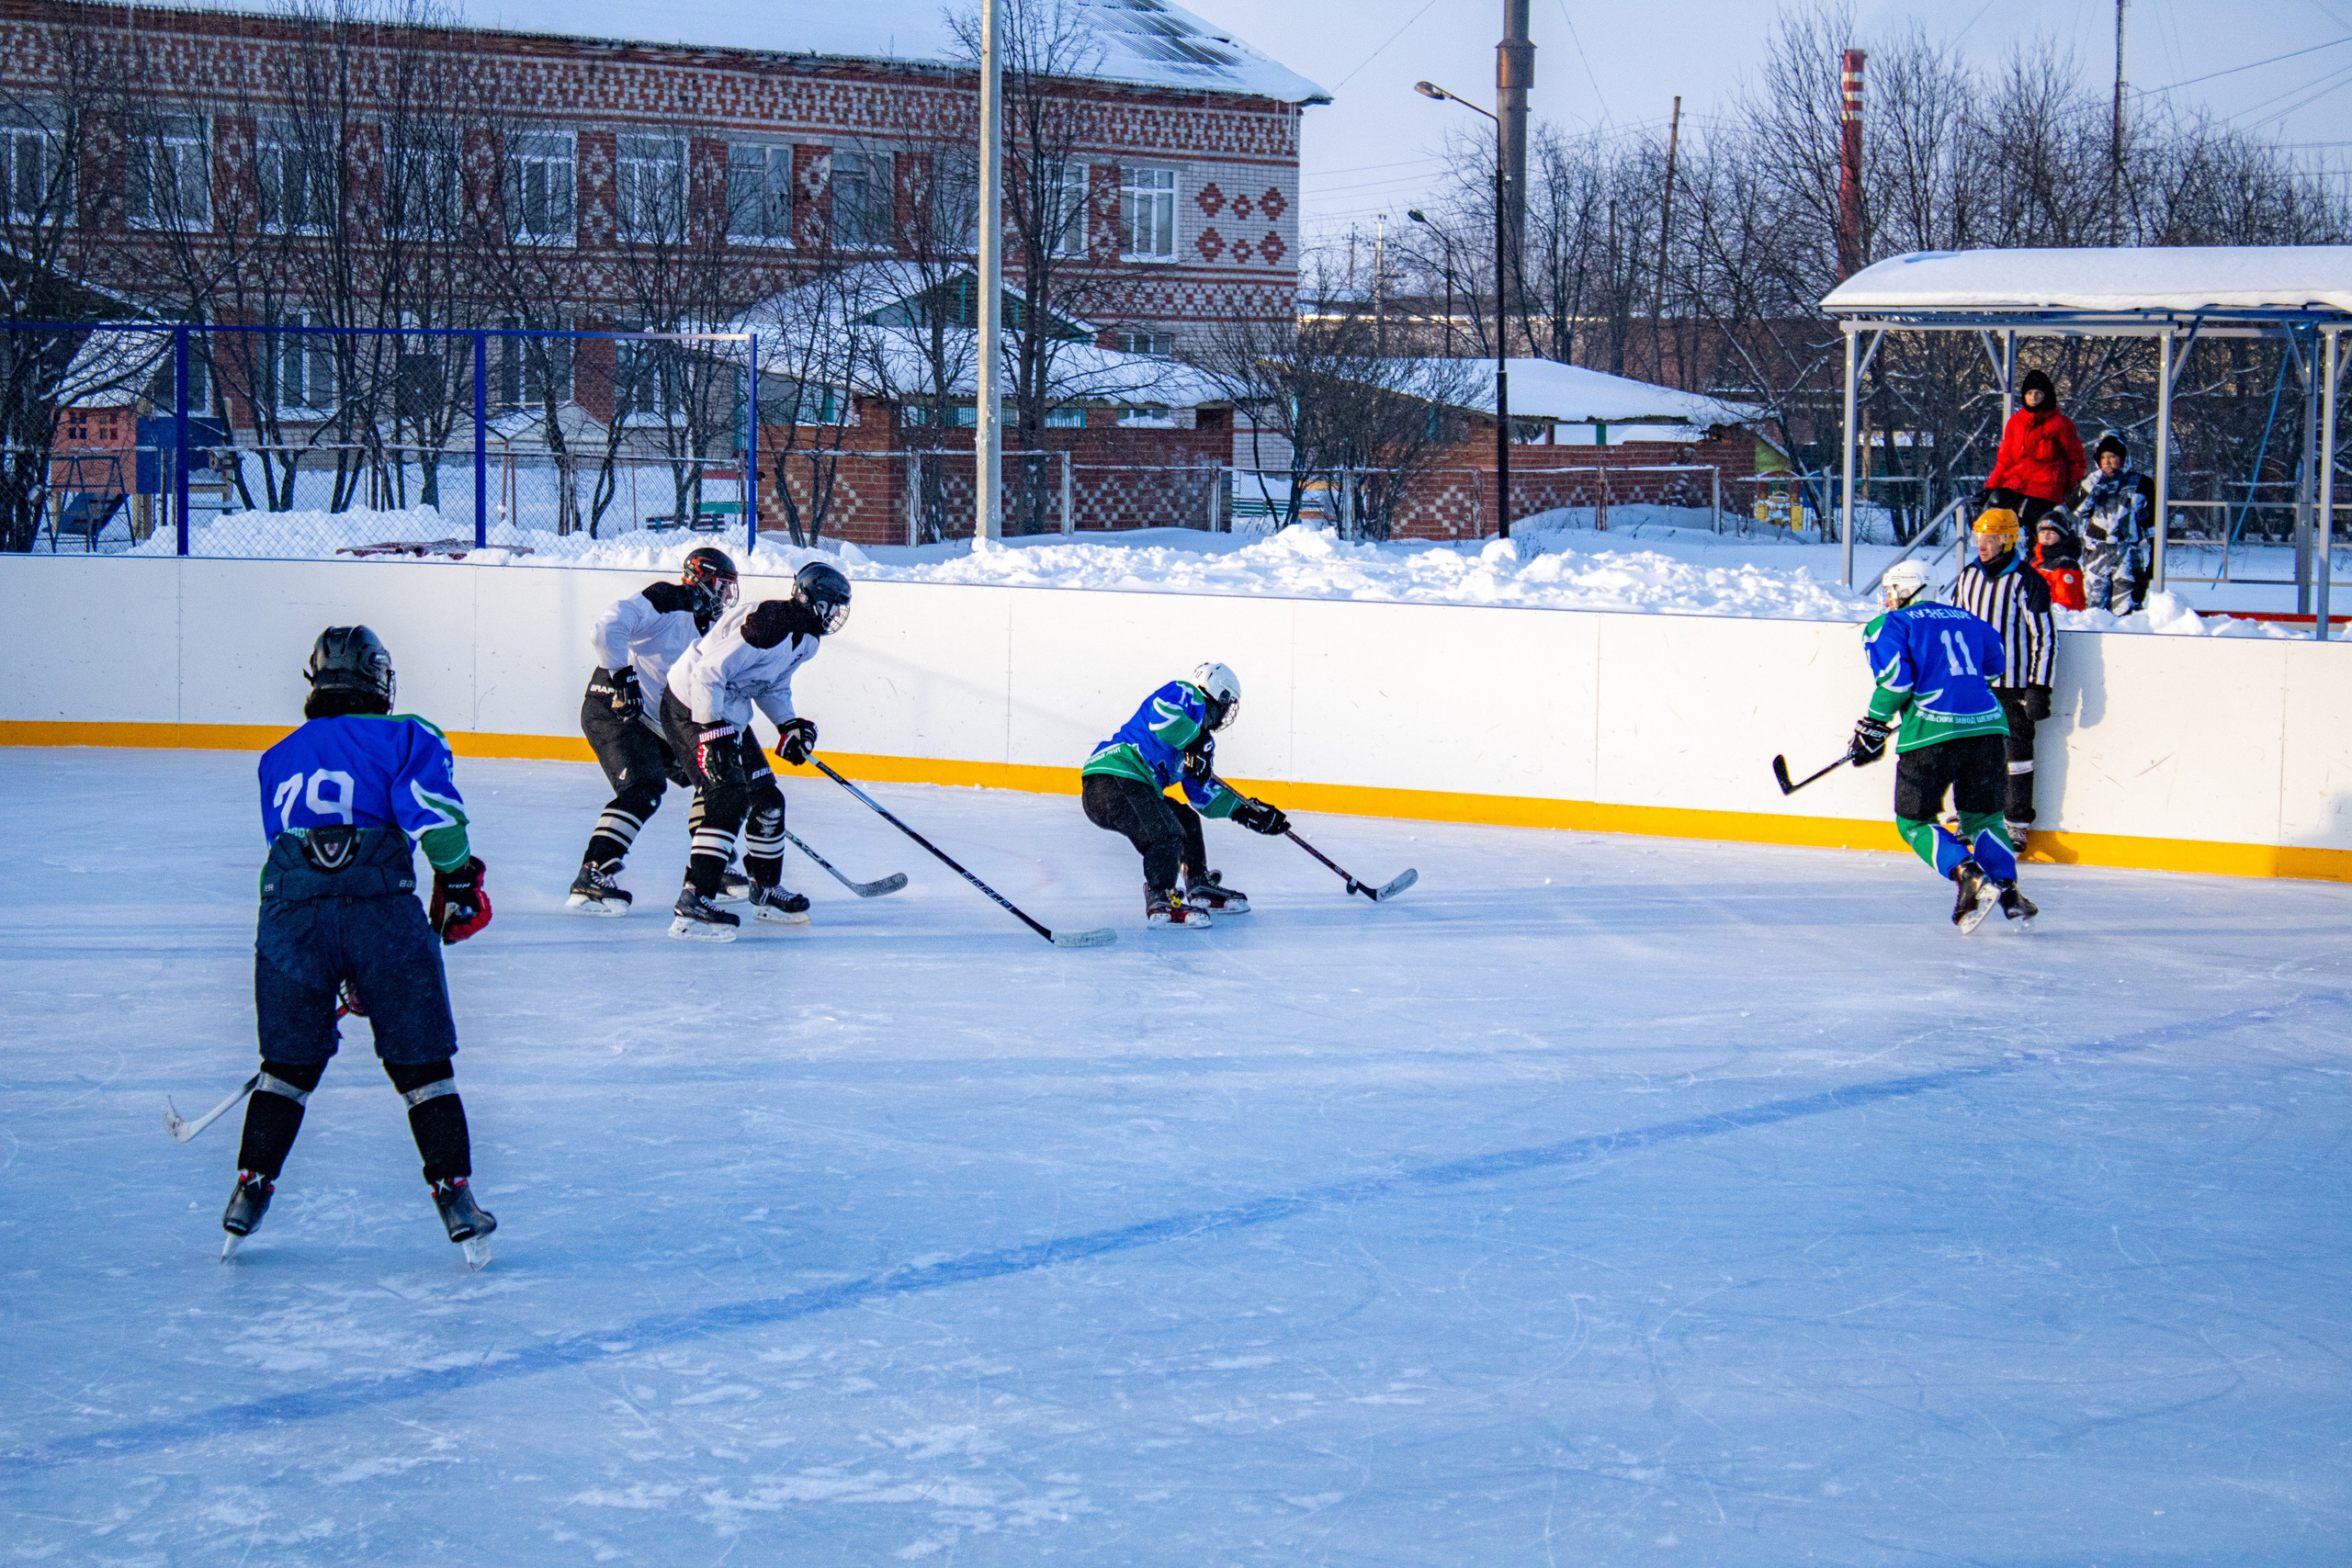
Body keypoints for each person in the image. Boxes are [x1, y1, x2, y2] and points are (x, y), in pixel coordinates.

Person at [226, 626, 498, 1262]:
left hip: (289, 920)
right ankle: (455, 1196)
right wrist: (457, 879)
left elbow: (298, 848)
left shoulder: (277, 756)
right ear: (380, 680)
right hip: (382, 912)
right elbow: (434, 815)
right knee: (422, 1066)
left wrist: (333, 958)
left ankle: (248, 1192)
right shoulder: (406, 734)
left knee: (287, 1068)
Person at [661, 561, 854, 941]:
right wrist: (710, 731)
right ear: (806, 599)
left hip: (727, 712)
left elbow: (770, 685)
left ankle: (765, 889)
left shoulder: (807, 640)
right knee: (727, 796)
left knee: (768, 800)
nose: (834, 615)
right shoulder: (767, 626)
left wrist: (788, 724)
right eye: (829, 605)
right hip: (690, 706)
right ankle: (694, 900)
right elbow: (707, 674)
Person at [1852, 561, 2037, 931]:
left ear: (1908, 589)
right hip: (1987, 730)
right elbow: (1992, 669)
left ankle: (1966, 872)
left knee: (1914, 821)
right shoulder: (1972, 620)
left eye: (1891, 590)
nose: (1888, 598)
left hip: (1930, 736)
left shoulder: (1890, 625)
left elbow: (1895, 683)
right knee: (1983, 818)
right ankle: (2010, 891)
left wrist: (1873, 725)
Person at [568, 547, 738, 914]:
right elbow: (606, 628)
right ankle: (592, 873)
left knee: (714, 779)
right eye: (723, 586)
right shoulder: (666, 598)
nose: (726, 596)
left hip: (658, 720)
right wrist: (621, 675)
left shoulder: (710, 624)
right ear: (703, 577)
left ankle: (711, 867)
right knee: (643, 787)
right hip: (613, 708)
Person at [1080, 662, 1291, 928]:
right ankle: (1161, 896)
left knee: (1185, 820)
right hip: (1113, 777)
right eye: (1229, 704)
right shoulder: (1186, 694)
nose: (1228, 713)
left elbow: (1202, 796)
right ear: (1221, 696)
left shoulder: (1203, 744)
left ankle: (1199, 882)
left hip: (1132, 787)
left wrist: (1247, 812)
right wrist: (1195, 742)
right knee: (1166, 832)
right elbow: (1162, 717)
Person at [1950, 507, 2056, 852]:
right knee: (1967, 753)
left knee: (2016, 758)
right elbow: (1954, 627)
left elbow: (2044, 637)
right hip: (1972, 686)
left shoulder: (2029, 581)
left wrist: (2039, 687)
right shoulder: (1967, 576)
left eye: (1991, 539)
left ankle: (2016, 823)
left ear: (2008, 540)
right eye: (1980, 537)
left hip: (2013, 688)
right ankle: (1969, 817)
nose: (1983, 545)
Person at [1984, 368, 2086, 529]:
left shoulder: (2060, 424)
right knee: (1997, 520)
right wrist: (1991, 487)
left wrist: (2071, 491)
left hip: (2046, 489)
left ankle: (2037, 551)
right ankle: (2002, 553)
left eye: (2038, 393)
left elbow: (2076, 460)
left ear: (2047, 395)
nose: (2033, 397)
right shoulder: (2015, 423)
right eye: (2029, 393)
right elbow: (2005, 461)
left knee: (2040, 529)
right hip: (2016, 485)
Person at [2075, 432, 2155, 615]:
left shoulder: (2141, 483)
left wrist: (2153, 561)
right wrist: (2096, 482)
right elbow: (2078, 510)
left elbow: (2152, 524)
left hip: (2127, 551)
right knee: (2094, 609)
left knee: (2126, 607)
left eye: (2113, 456)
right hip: (2097, 552)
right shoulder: (2090, 482)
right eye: (2103, 457)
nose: (2108, 461)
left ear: (2124, 457)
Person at [2030, 512, 2087, 612]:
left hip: (2056, 617)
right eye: (2042, 532)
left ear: (2062, 536)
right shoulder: (2035, 560)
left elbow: (2067, 602)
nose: (2046, 536)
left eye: (2052, 533)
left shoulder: (2065, 564)